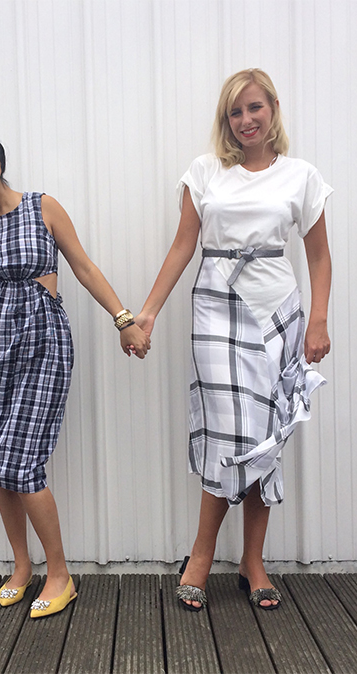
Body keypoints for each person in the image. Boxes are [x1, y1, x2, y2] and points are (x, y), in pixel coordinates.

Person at [0, 127, 150, 618]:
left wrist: (123, 319)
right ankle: (21, 566)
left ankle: (59, 574)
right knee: (0, 459)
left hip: (42, 346)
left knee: (21, 461)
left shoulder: (42, 208)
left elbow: (83, 267)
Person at [136, 69, 332, 611]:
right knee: (228, 430)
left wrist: (318, 320)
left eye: (254, 108)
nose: (246, 120)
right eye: (235, 112)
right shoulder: (206, 171)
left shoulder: (302, 176)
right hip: (216, 307)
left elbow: (319, 256)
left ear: (273, 108)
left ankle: (252, 561)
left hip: (277, 310)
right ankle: (201, 556)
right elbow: (183, 245)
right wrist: (148, 312)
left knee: (266, 432)